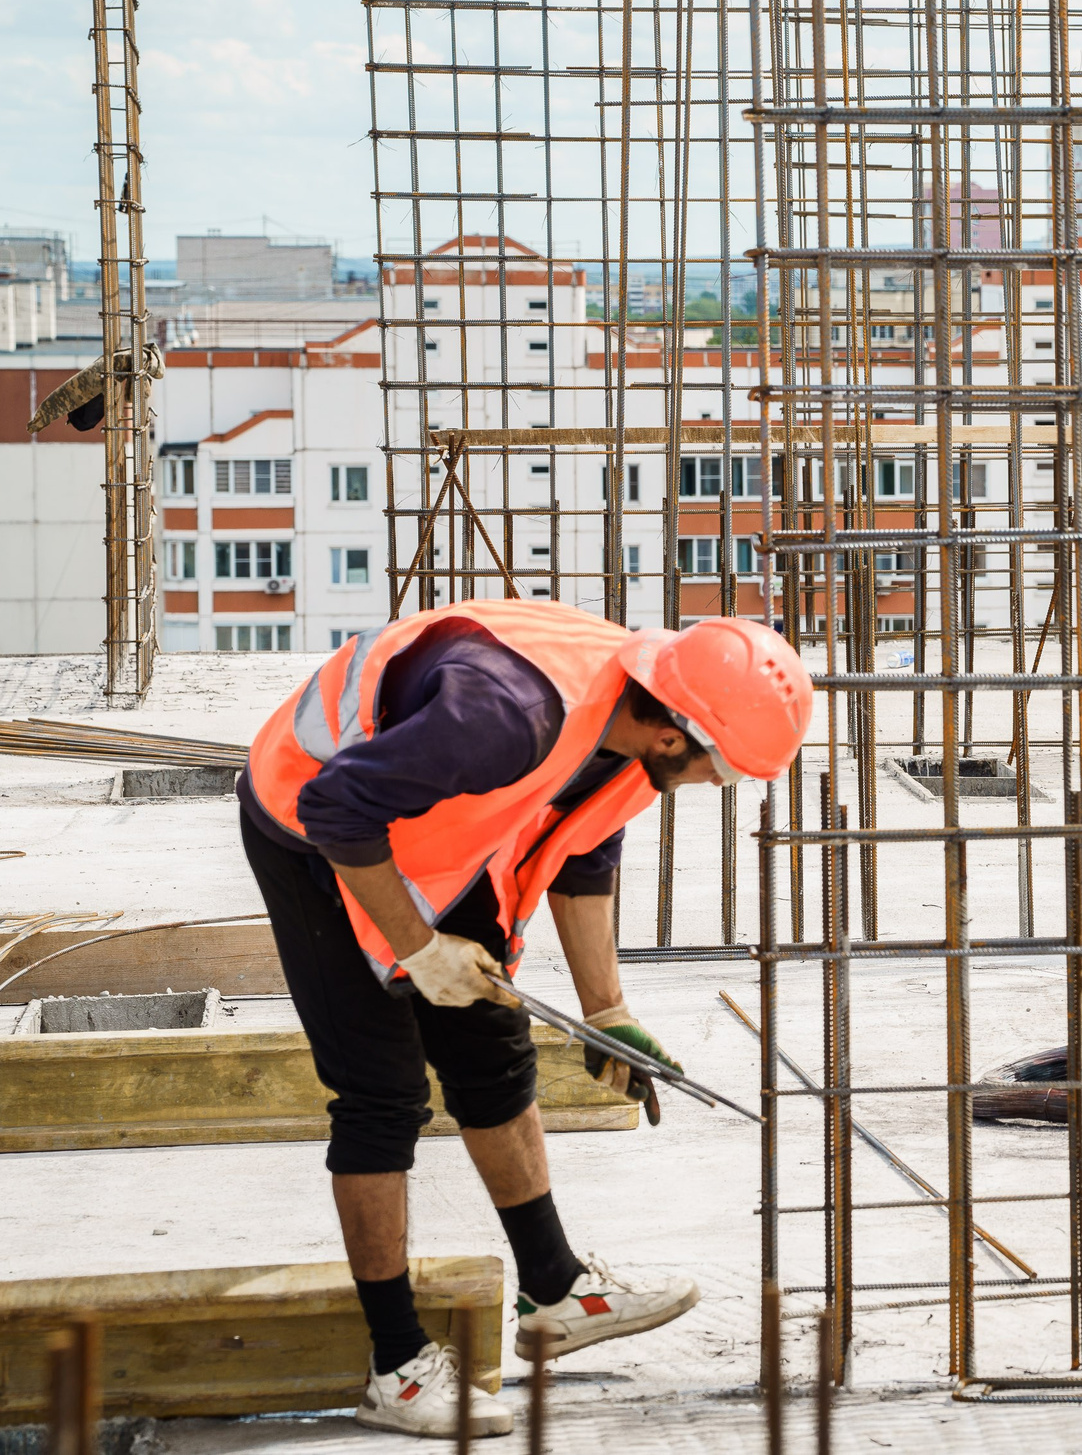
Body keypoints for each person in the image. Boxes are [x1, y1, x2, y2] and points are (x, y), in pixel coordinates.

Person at [238, 600, 814, 1439]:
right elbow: (338, 809)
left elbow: (584, 849)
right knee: (382, 1095)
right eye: (716, 770)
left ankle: (555, 1290)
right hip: (307, 820)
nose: (710, 785)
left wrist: (606, 1011)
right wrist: (419, 948)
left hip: (426, 827)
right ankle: (396, 1367)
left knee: (492, 1049)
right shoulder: (508, 714)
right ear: (672, 735)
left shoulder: (634, 721)